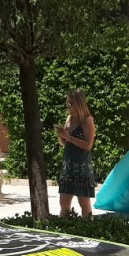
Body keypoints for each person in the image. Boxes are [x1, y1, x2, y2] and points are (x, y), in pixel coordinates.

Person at [56, 88, 97, 217]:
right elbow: (64, 143)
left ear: (78, 103)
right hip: (68, 165)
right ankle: (64, 228)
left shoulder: (87, 120)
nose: (68, 106)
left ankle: (87, 229)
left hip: (81, 166)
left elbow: (88, 145)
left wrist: (70, 138)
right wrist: (62, 136)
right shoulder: (69, 118)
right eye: (67, 102)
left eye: (71, 103)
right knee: (63, 203)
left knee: (84, 202)